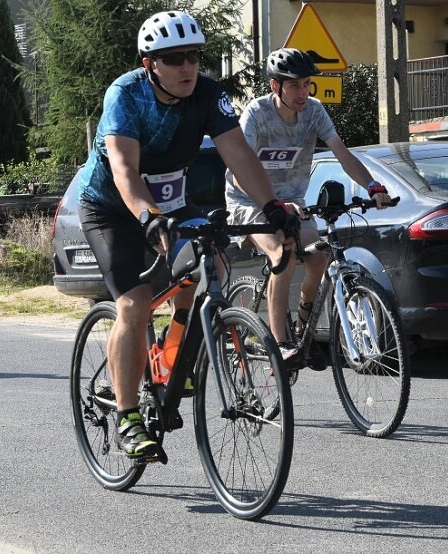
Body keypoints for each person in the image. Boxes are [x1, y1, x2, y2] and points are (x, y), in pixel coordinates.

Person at [77, 11, 294, 460]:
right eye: (174, 59)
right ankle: (128, 416)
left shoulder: (209, 95)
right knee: (134, 304)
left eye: (194, 56)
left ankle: (175, 356)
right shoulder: (126, 95)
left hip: (172, 204)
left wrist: (271, 207)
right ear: (149, 65)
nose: (187, 67)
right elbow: (123, 169)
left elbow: (240, 155)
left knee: (209, 267)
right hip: (113, 208)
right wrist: (147, 216)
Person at [225, 48, 391, 369]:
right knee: (284, 254)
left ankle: (303, 328)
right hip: (249, 202)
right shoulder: (257, 114)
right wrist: (270, 202)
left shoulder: (314, 111)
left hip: (294, 205)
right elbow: (240, 167)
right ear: (276, 86)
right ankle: (280, 345)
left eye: (307, 84)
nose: (304, 93)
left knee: (320, 256)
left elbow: (342, 153)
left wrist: (373, 186)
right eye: (295, 86)